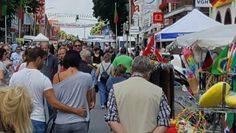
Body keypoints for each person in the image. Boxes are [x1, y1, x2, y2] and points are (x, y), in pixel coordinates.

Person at [9, 48, 87, 133]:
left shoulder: (15, 76)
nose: (43, 63)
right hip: (37, 119)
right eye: (43, 60)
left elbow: (10, 99)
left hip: (19, 119)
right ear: (38, 59)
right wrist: (76, 110)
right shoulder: (43, 79)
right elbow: (54, 103)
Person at [105, 56, 171, 133]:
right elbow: (164, 122)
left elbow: (111, 119)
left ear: (131, 70)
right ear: (149, 73)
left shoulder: (116, 89)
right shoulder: (158, 92)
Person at [53, 50, 94, 133]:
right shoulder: (87, 77)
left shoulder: (57, 77)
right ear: (78, 61)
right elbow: (89, 99)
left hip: (61, 121)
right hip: (80, 120)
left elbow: (55, 102)